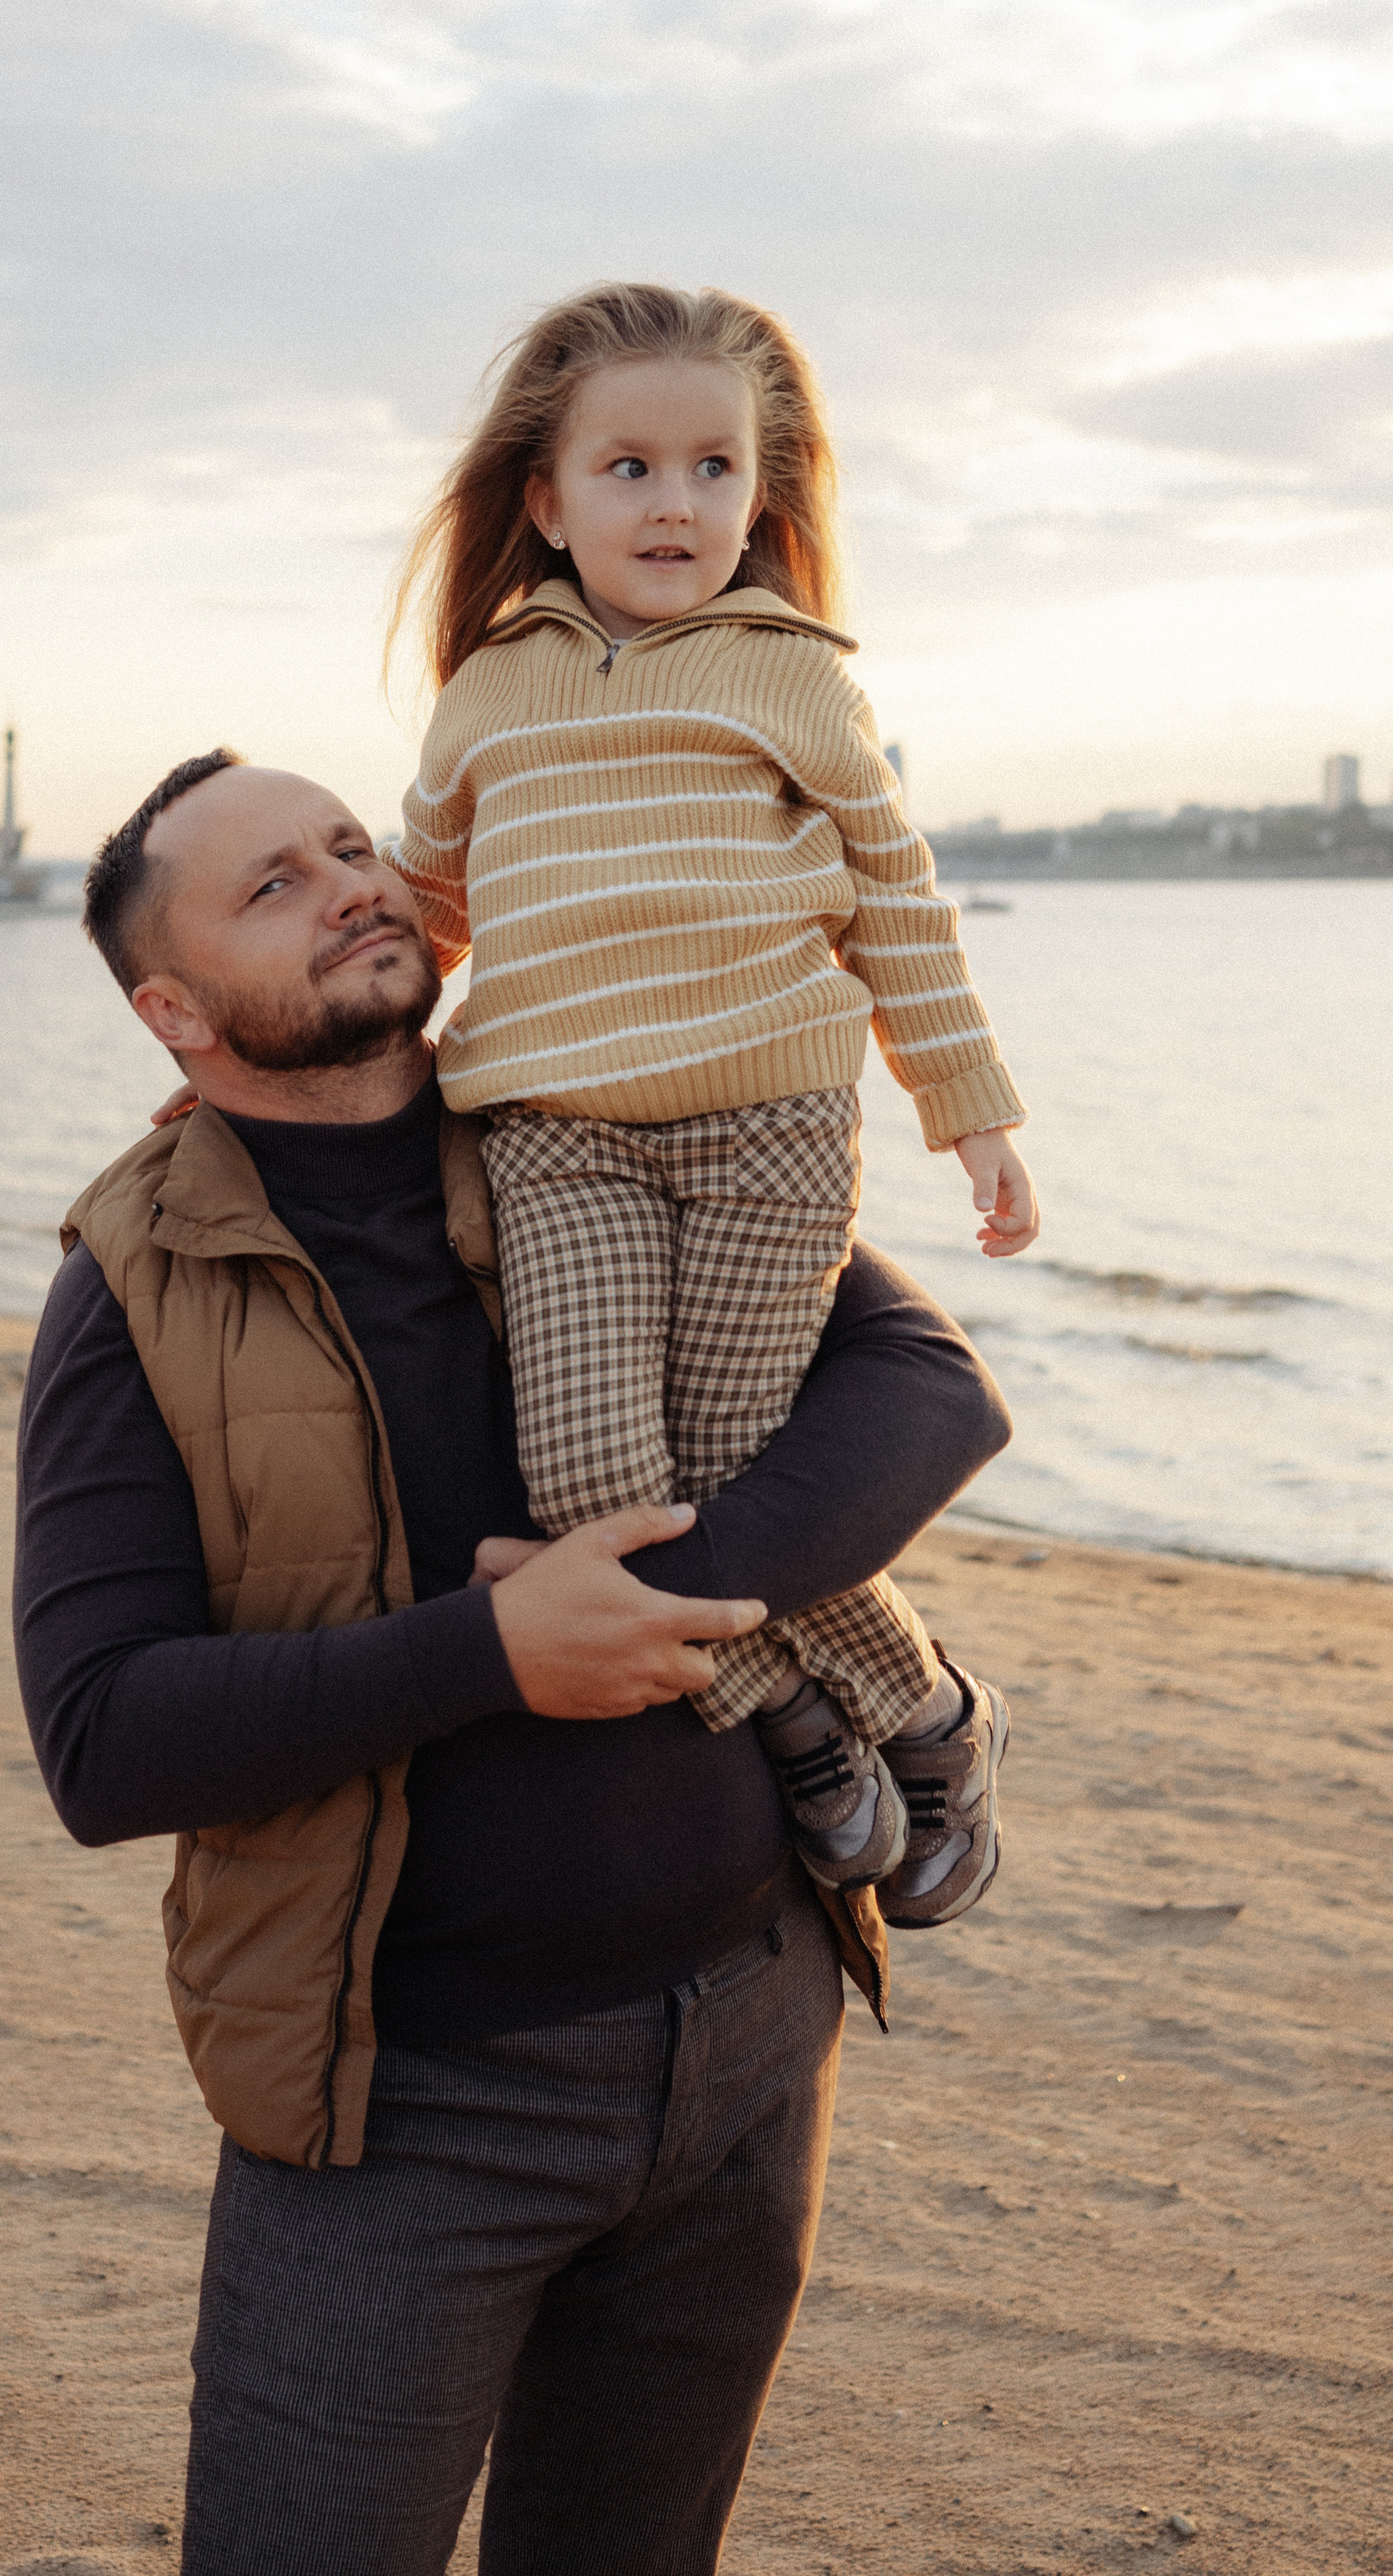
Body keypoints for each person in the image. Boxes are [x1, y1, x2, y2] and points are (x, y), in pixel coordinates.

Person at [13, 752, 1016, 2576]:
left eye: (346, 845)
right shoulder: (137, 1281)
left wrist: (658, 1598)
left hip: (750, 2029)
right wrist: (493, 1651)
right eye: (269, 888)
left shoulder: (583, 1110)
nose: (344, 885)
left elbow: (929, 1389)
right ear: (173, 1015)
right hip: (403, 2106)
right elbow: (103, 1739)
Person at [385, 280, 1038, 1919]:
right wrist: (269, 1063)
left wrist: (969, 1111)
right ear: (546, 499)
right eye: (626, 470)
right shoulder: (484, 698)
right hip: (553, 1142)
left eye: (710, 470)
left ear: (759, 497)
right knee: (595, 1481)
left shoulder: (793, 679)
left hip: (767, 1132)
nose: (671, 503)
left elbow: (896, 900)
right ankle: (847, 1710)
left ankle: (906, 1727)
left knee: (742, 1475)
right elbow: (422, 910)